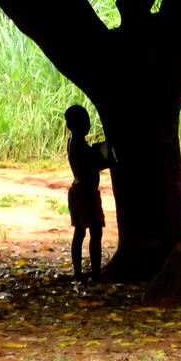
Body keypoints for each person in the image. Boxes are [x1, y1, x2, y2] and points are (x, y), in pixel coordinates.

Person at [64, 104, 113, 281]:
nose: (88, 125)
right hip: (86, 191)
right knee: (95, 231)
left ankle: (79, 273)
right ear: (76, 125)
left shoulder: (73, 142)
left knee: (80, 231)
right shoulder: (80, 146)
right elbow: (91, 165)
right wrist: (107, 159)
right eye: (84, 122)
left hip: (77, 189)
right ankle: (96, 274)